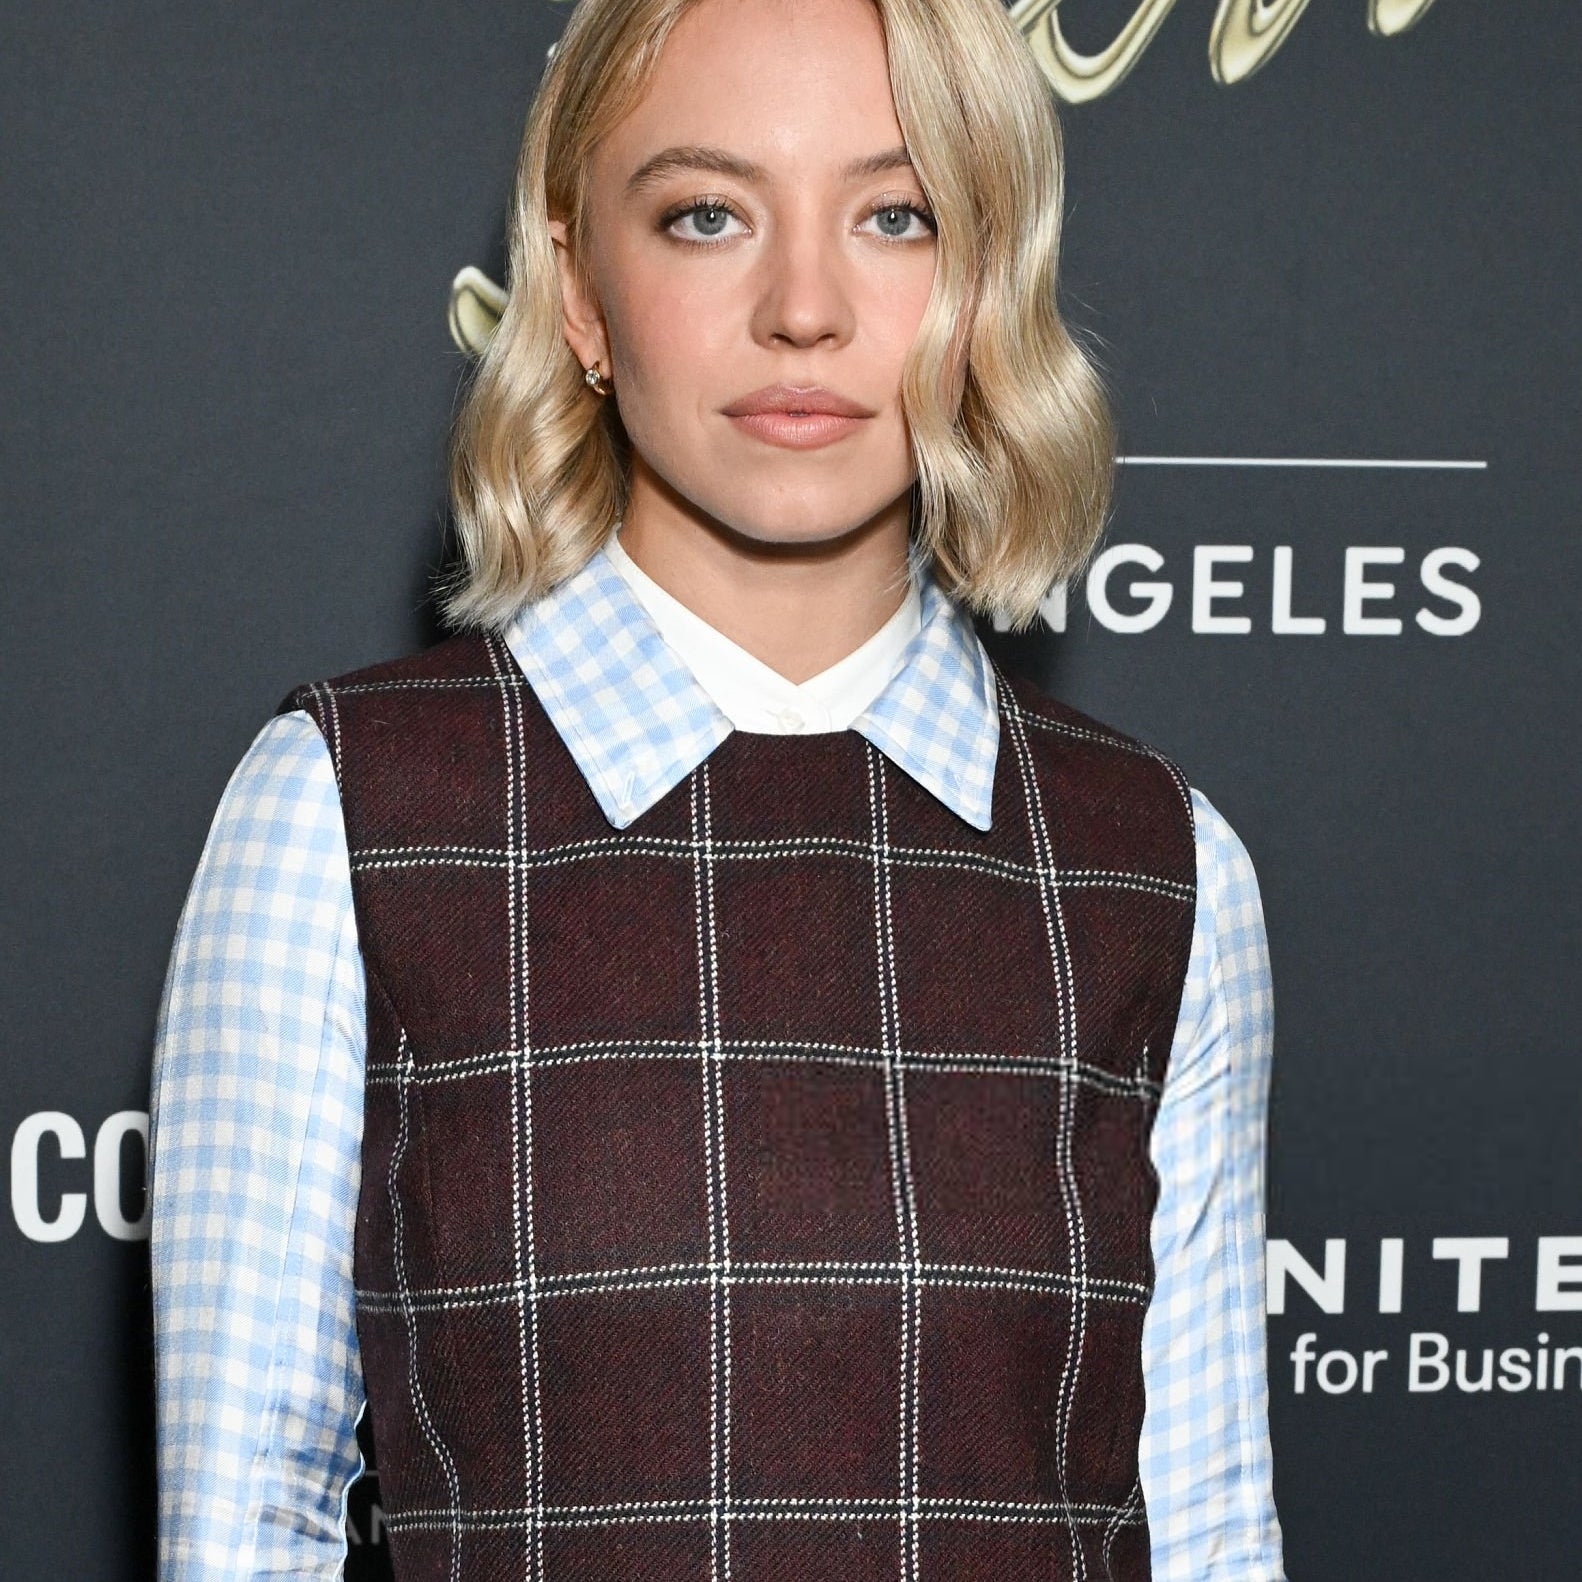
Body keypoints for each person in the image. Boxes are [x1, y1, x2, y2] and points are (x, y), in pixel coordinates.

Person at [146, 0, 1286, 1577]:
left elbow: (1208, 1534)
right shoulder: (341, 817)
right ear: (579, 291)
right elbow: (243, 1527)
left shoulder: (1154, 865)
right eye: (705, 214)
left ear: (984, 282)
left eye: (896, 216)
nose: (802, 308)